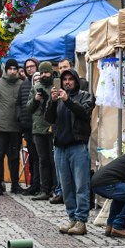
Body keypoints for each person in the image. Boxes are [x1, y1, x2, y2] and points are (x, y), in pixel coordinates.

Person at [45, 68, 94, 235]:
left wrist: (68, 101)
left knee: (81, 185)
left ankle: (81, 221)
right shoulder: (57, 98)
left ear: (75, 81)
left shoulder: (85, 96)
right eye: (64, 79)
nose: (67, 82)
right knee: (66, 187)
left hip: (78, 146)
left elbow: (84, 112)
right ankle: (72, 218)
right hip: (60, 147)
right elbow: (49, 119)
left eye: (70, 79)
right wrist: (52, 102)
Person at [0, 58, 24, 195]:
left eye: (14, 69)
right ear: (5, 70)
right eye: (10, 69)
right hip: (0, 127)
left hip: (16, 127)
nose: (12, 71)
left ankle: (15, 184)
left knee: (14, 157)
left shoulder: (22, 84)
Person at [29, 62, 56, 202]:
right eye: (43, 72)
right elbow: (28, 108)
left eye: (47, 72)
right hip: (38, 128)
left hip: (52, 128)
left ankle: (55, 189)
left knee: (53, 160)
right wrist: (35, 100)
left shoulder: (56, 87)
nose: (45, 75)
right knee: (42, 160)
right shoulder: (35, 88)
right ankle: (44, 189)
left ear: (51, 73)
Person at [17, 58, 41, 196]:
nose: (30, 69)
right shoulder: (24, 85)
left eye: (32, 66)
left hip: (39, 127)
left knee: (40, 157)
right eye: (27, 67)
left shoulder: (41, 83)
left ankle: (40, 185)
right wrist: (20, 118)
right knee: (32, 157)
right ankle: (33, 183)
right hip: (27, 127)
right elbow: (19, 103)